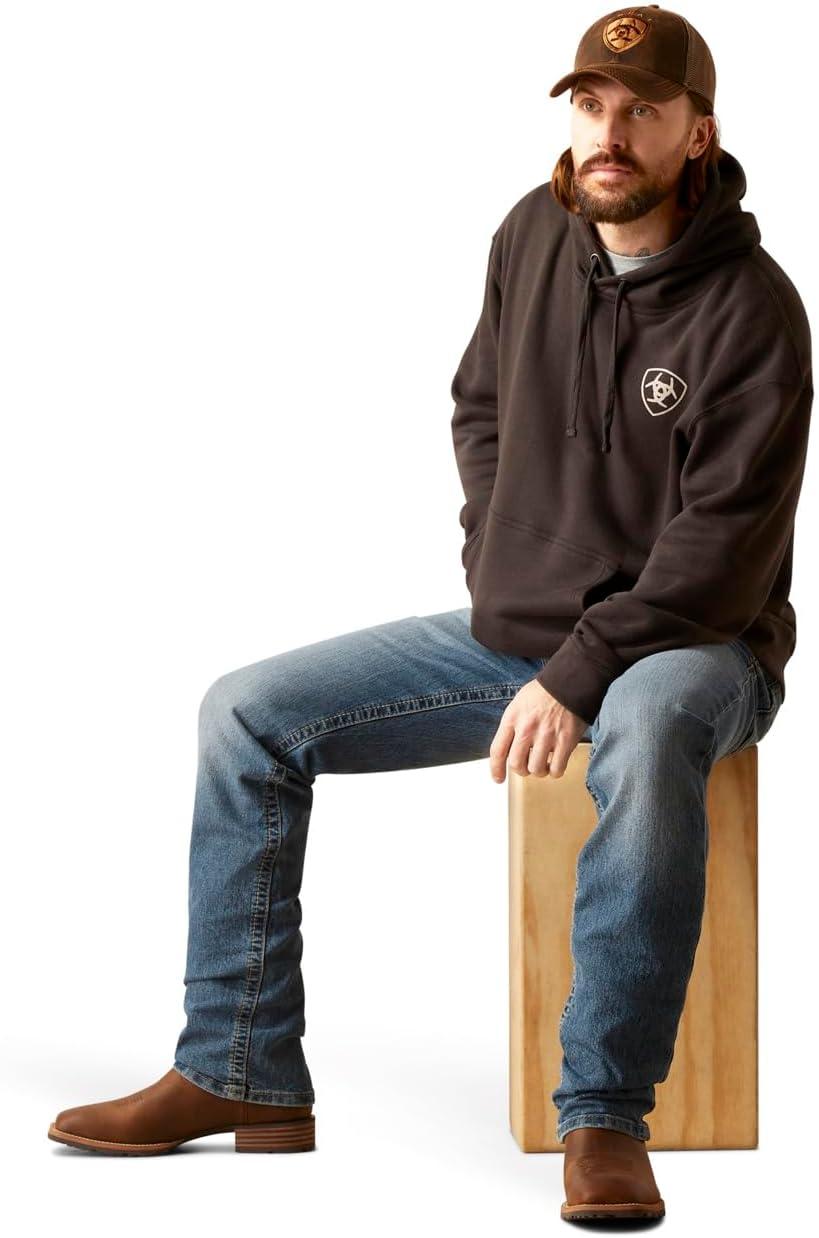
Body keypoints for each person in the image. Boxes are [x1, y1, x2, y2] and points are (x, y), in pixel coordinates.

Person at [48, 3, 811, 1222]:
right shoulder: (531, 233)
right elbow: (481, 408)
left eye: (643, 111)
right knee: (246, 715)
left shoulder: (754, 309)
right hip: (527, 635)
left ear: (698, 134)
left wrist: (581, 668)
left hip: (697, 645)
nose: (610, 132)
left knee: (651, 721)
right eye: (591, 105)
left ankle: (605, 1112)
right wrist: (500, 564)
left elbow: (723, 552)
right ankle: (239, 1066)